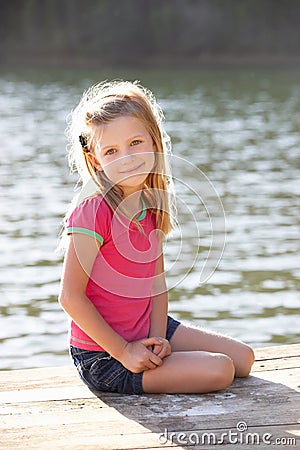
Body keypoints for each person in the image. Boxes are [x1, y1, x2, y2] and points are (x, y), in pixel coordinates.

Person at [59, 80, 254, 395]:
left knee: (243, 359)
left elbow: (156, 286)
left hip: (146, 328)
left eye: (135, 142)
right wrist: (124, 351)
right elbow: (70, 297)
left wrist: (160, 338)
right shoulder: (93, 212)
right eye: (111, 150)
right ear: (95, 160)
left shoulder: (148, 207)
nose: (127, 157)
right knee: (221, 369)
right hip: (104, 355)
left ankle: (163, 353)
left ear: (154, 141)